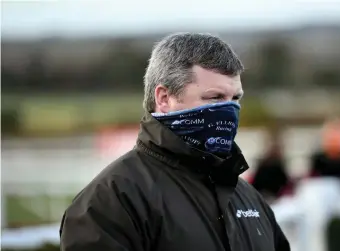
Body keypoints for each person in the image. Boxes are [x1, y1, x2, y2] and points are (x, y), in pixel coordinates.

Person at [59, 33, 290, 251]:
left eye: (235, 99)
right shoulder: (112, 201)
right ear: (163, 98)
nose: (229, 111)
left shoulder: (248, 198)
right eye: (215, 98)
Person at [309, 121, 340, 191]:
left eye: (336, 138)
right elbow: (313, 179)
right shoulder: (318, 158)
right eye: (331, 138)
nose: (334, 141)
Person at [251, 139, 290, 203]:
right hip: (273, 196)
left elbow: (255, 182)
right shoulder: (277, 166)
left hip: (262, 194)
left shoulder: (263, 165)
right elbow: (284, 182)